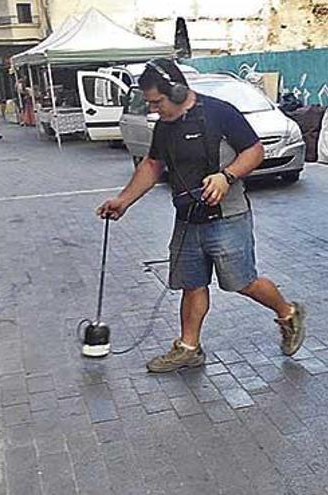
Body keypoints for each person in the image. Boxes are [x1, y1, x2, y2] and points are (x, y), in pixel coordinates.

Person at [96, 59, 305, 373]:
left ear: (177, 91)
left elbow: (255, 151)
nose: (154, 110)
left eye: (157, 102)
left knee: (243, 282)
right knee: (192, 284)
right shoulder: (165, 127)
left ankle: (289, 313)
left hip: (228, 217)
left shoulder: (219, 113)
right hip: (187, 218)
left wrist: (227, 177)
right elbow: (152, 165)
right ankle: (189, 348)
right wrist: (123, 201)